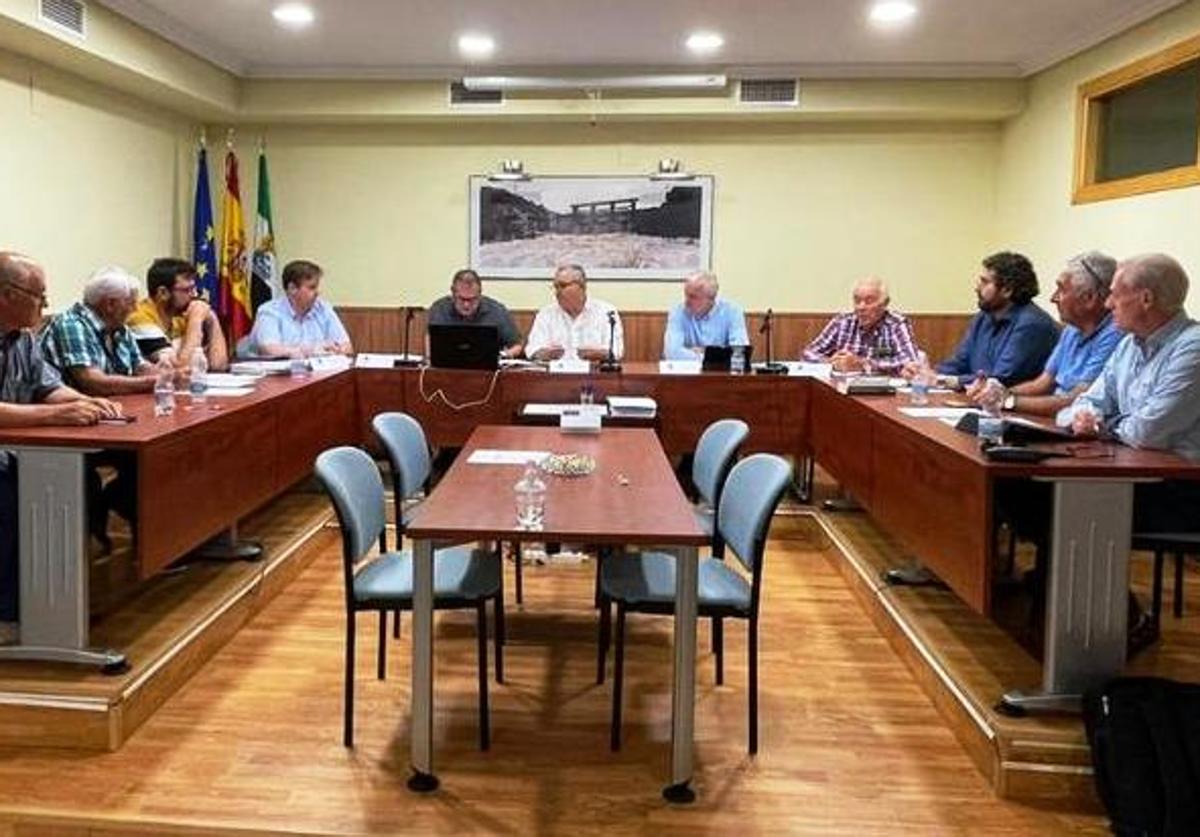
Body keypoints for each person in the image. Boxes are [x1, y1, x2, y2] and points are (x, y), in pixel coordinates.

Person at [0, 252, 124, 646]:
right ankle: (7, 615)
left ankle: (53, 600)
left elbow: (47, 386)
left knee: (80, 481)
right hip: (7, 453)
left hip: (21, 447)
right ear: (6, 294)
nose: (45, 305)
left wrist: (82, 403)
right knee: (10, 495)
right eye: (38, 295)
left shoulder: (23, 338)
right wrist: (52, 416)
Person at [1062, 253, 1200, 527]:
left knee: (1051, 497)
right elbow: (1086, 402)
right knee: (1020, 489)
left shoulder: (1192, 348)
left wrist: (1102, 425)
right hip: (1132, 468)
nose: (1108, 303)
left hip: (1182, 486)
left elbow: (1147, 432)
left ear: (1146, 299)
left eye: (1114, 295)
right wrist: (1083, 416)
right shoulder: (1128, 344)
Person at [970, 251, 1122, 416]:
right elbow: (1043, 383)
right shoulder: (1072, 329)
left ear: (1089, 298)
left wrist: (1008, 401)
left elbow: (1078, 399)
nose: (1053, 298)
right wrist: (996, 393)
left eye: (1061, 290)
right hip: (1057, 420)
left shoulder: (1115, 334)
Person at [923, 251, 1059, 387]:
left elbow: (1002, 379)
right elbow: (959, 362)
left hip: (1015, 405)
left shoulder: (1032, 324)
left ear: (1007, 290)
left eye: (985, 282)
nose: (977, 288)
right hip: (979, 400)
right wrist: (929, 374)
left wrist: (947, 381)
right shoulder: (983, 317)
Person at [40, 266, 159, 394]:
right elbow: (93, 383)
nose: (136, 309)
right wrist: (153, 382)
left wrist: (169, 374)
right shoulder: (72, 324)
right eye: (131, 303)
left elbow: (140, 366)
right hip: (72, 407)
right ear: (110, 304)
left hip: (111, 404)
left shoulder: (119, 327)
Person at [127, 258, 229, 371]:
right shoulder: (138, 318)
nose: (194, 295)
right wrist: (196, 320)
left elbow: (218, 366)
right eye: (187, 290)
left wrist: (212, 319)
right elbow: (182, 368)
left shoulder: (179, 317)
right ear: (163, 293)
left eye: (194, 289)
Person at [802, 277, 919, 374]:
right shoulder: (842, 321)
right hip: (842, 390)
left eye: (869, 301)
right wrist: (830, 362)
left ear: (885, 303)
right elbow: (808, 353)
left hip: (882, 392)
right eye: (857, 301)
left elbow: (911, 362)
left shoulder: (896, 323)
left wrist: (863, 364)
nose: (861, 307)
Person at [248, 259, 353, 358]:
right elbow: (269, 349)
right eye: (312, 287)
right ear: (292, 288)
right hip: (276, 375)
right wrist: (309, 351)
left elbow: (347, 347)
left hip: (318, 373)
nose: (318, 292)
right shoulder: (269, 311)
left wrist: (338, 349)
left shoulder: (323, 309)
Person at [525, 265, 624, 362]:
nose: (558, 291)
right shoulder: (546, 314)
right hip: (555, 375)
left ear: (582, 286)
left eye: (563, 286)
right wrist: (544, 354)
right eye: (556, 287)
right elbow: (531, 350)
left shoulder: (606, 312)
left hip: (594, 375)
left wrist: (597, 354)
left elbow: (617, 351)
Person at [427, 269, 523, 358]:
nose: (466, 305)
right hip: (446, 369)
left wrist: (502, 356)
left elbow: (517, 346)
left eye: (472, 299)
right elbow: (429, 341)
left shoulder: (497, 310)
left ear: (480, 294)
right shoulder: (439, 309)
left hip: (488, 372)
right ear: (453, 293)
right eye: (462, 299)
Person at [662, 271, 749, 360]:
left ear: (711, 299)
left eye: (693, 297)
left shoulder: (733, 312)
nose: (686, 301)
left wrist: (700, 352)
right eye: (686, 295)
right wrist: (714, 355)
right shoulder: (678, 312)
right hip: (687, 373)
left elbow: (739, 353)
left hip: (720, 373)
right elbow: (672, 353)